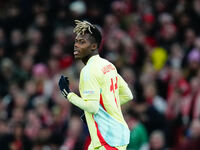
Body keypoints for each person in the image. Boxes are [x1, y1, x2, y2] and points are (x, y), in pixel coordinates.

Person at [58, 20, 133, 150]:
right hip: (115, 136)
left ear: (93, 46)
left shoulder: (88, 71)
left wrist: (69, 94)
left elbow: (92, 107)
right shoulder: (108, 65)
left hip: (107, 140)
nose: (76, 45)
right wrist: (102, 113)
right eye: (76, 41)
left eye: (82, 42)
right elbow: (128, 95)